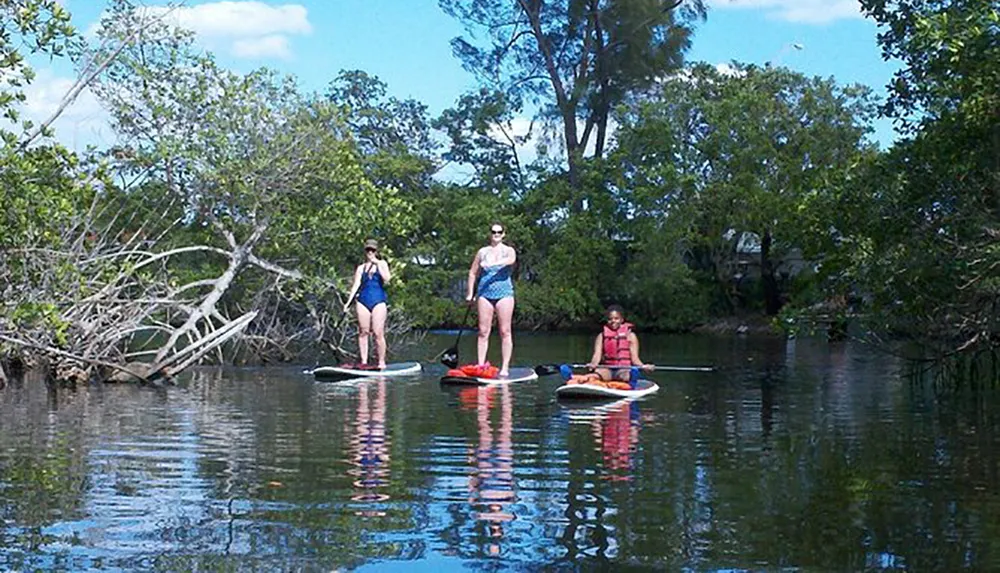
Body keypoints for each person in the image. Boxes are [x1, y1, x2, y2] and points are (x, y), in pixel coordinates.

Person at [466, 223, 516, 377]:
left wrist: (493, 263)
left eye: (499, 232)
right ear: (489, 234)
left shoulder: (508, 251)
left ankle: (505, 367)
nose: (496, 234)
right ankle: (481, 365)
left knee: (505, 331)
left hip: (504, 293)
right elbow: (472, 273)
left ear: (503, 234)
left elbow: (511, 260)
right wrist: (470, 293)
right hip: (484, 293)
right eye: (493, 232)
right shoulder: (482, 252)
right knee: (483, 331)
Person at [560, 305, 653, 387]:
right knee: (596, 374)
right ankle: (572, 377)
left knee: (624, 376)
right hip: (608, 368)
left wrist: (643, 366)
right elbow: (597, 355)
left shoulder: (631, 336)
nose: (613, 321)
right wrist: (593, 364)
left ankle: (632, 379)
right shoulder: (602, 336)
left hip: (623, 368)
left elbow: (635, 359)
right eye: (610, 319)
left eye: (616, 318)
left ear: (622, 320)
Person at [343, 238, 391, 369]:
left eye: (372, 250)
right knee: (363, 331)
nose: (370, 252)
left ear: (376, 251)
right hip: (363, 300)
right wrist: (347, 303)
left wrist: (376, 263)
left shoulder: (382, 263)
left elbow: (387, 279)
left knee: (377, 332)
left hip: (378, 300)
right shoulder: (361, 268)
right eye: (368, 249)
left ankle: (381, 362)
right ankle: (364, 362)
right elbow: (356, 286)